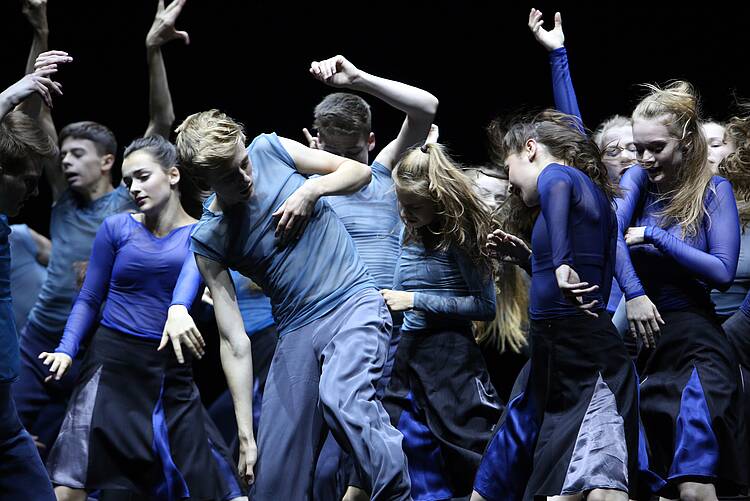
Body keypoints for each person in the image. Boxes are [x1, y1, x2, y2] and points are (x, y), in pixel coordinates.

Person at [173, 110, 411, 500]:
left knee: (343, 400)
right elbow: (234, 341)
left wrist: (310, 190)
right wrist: (246, 436)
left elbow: (359, 173)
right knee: (272, 471)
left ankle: (396, 495)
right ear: (204, 183)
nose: (245, 177)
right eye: (230, 176)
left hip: (352, 300)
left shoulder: (271, 149)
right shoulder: (210, 239)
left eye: (243, 163)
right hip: (296, 331)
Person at [13, 0, 189, 454]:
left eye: (78, 154)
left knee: (70, 451)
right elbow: (34, 115)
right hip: (38, 337)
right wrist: (40, 35)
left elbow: (162, 125)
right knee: (11, 433)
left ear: (108, 161)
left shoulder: (126, 202)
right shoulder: (61, 197)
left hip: (93, 340)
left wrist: (153, 52)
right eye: (64, 154)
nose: (66, 161)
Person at [39, 135, 245, 501]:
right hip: (110, 367)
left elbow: (188, 279)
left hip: (167, 371)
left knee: (217, 484)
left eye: (143, 176)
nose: (134, 187)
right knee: (71, 485)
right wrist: (67, 348)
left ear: (173, 175)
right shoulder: (117, 229)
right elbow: (89, 297)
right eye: (128, 180)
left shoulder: (200, 234)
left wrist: (179, 309)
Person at [472, 110, 640, 501]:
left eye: (507, 167)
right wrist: (530, 261)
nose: (510, 184)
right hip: (551, 358)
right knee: (502, 472)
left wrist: (561, 260)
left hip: (581, 357)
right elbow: (580, 269)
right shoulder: (591, 193)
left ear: (530, 149)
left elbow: (555, 192)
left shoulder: (556, 176)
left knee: (594, 481)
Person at [304, 55, 438, 501]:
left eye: (353, 153)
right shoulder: (308, 187)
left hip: (384, 325)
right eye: (333, 153)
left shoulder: (383, 173)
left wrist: (360, 79)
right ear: (318, 144)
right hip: (325, 327)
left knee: (359, 446)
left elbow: (426, 108)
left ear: (371, 141)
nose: (345, 163)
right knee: (321, 454)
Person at [616, 81, 746, 499]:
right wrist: (634, 294)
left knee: (694, 483)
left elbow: (722, 271)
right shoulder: (638, 180)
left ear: (687, 142)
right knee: (650, 485)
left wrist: (657, 236)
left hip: (696, 345)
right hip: (646, 350)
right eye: (638, 148)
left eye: (656, 147)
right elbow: (610, 236)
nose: (645, 158)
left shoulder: (713, 190)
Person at [379, 142, 502, 500]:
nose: (405, 213)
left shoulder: (460, 239)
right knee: (406, 442)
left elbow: (484, 306)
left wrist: (416, 300)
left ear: (437, 198)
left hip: (450, 359)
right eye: (401, 204)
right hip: (409, 354)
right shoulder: (412, 229)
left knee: (465, 449)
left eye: (414, 206)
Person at [0, 53, 63, 501]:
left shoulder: (7, 226)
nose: (34, 192)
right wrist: (5, 96)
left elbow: (19, 139)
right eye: (27, 181)